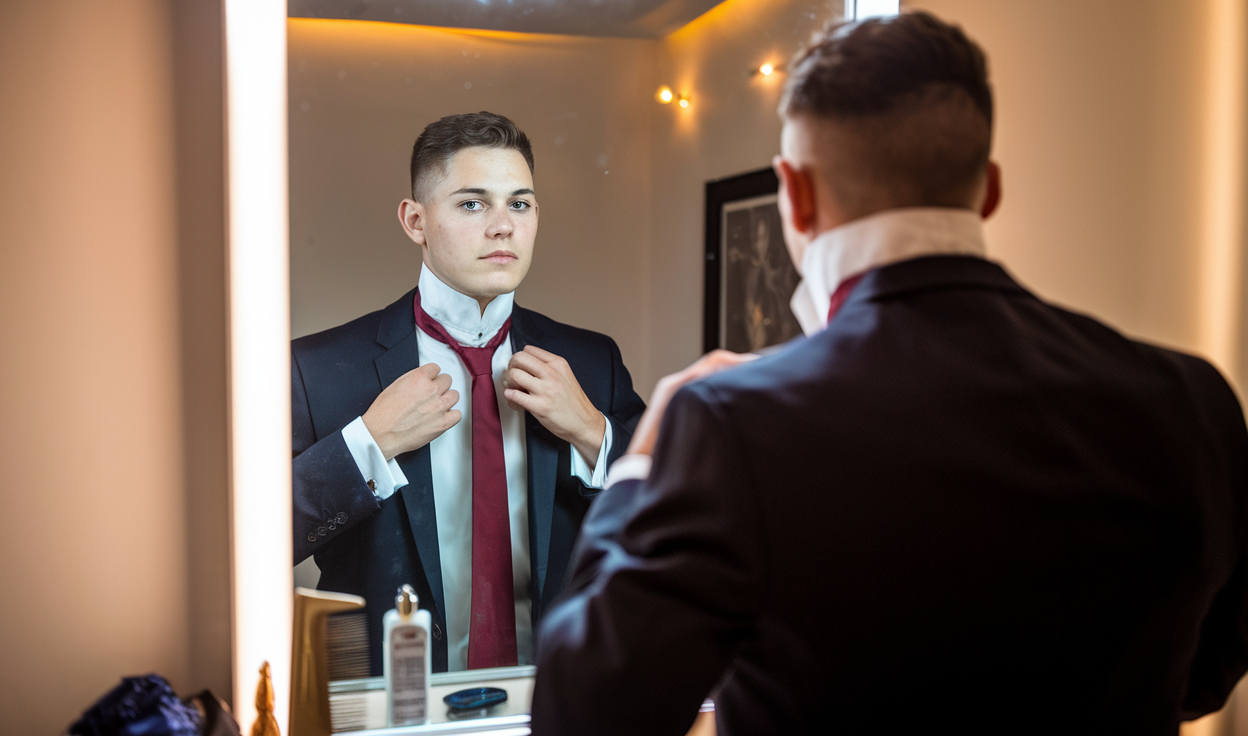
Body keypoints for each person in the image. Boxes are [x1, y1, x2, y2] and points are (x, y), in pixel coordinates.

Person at [532, 12, 1248, 735]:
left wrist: (638, 470)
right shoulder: (1193, 401)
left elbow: (587, 714)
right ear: (988, 190)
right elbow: (1206, 675)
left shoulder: (735, 422)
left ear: (795, 195)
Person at [292, 111, 645, 674]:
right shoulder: (317, 369)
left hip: (561, 702)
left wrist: (592, 432)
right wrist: (368, 444)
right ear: (415, 221)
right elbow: (259, 544)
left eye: (520, 204)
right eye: (473, 203)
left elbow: (672, 524)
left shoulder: (592, 362)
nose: (503, 226)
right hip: (389, 709)